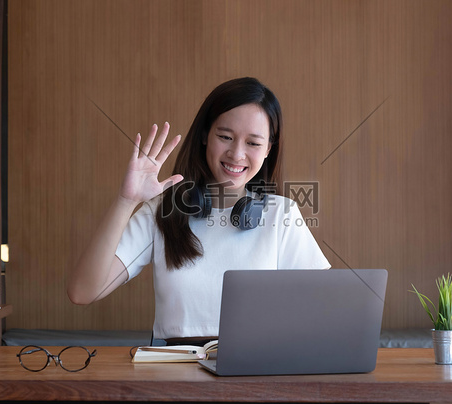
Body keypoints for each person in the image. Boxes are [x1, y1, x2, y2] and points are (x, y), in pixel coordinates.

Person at [67, 77, 329, 343]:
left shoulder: (281, 214)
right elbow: (83, 291)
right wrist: (126, 200)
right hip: (174, 373)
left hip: (255, 371)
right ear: (205, 135)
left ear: (268, 150)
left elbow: (322, 311)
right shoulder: (164, 210)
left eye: (253, 143)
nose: (237, 154)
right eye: (225, 137)